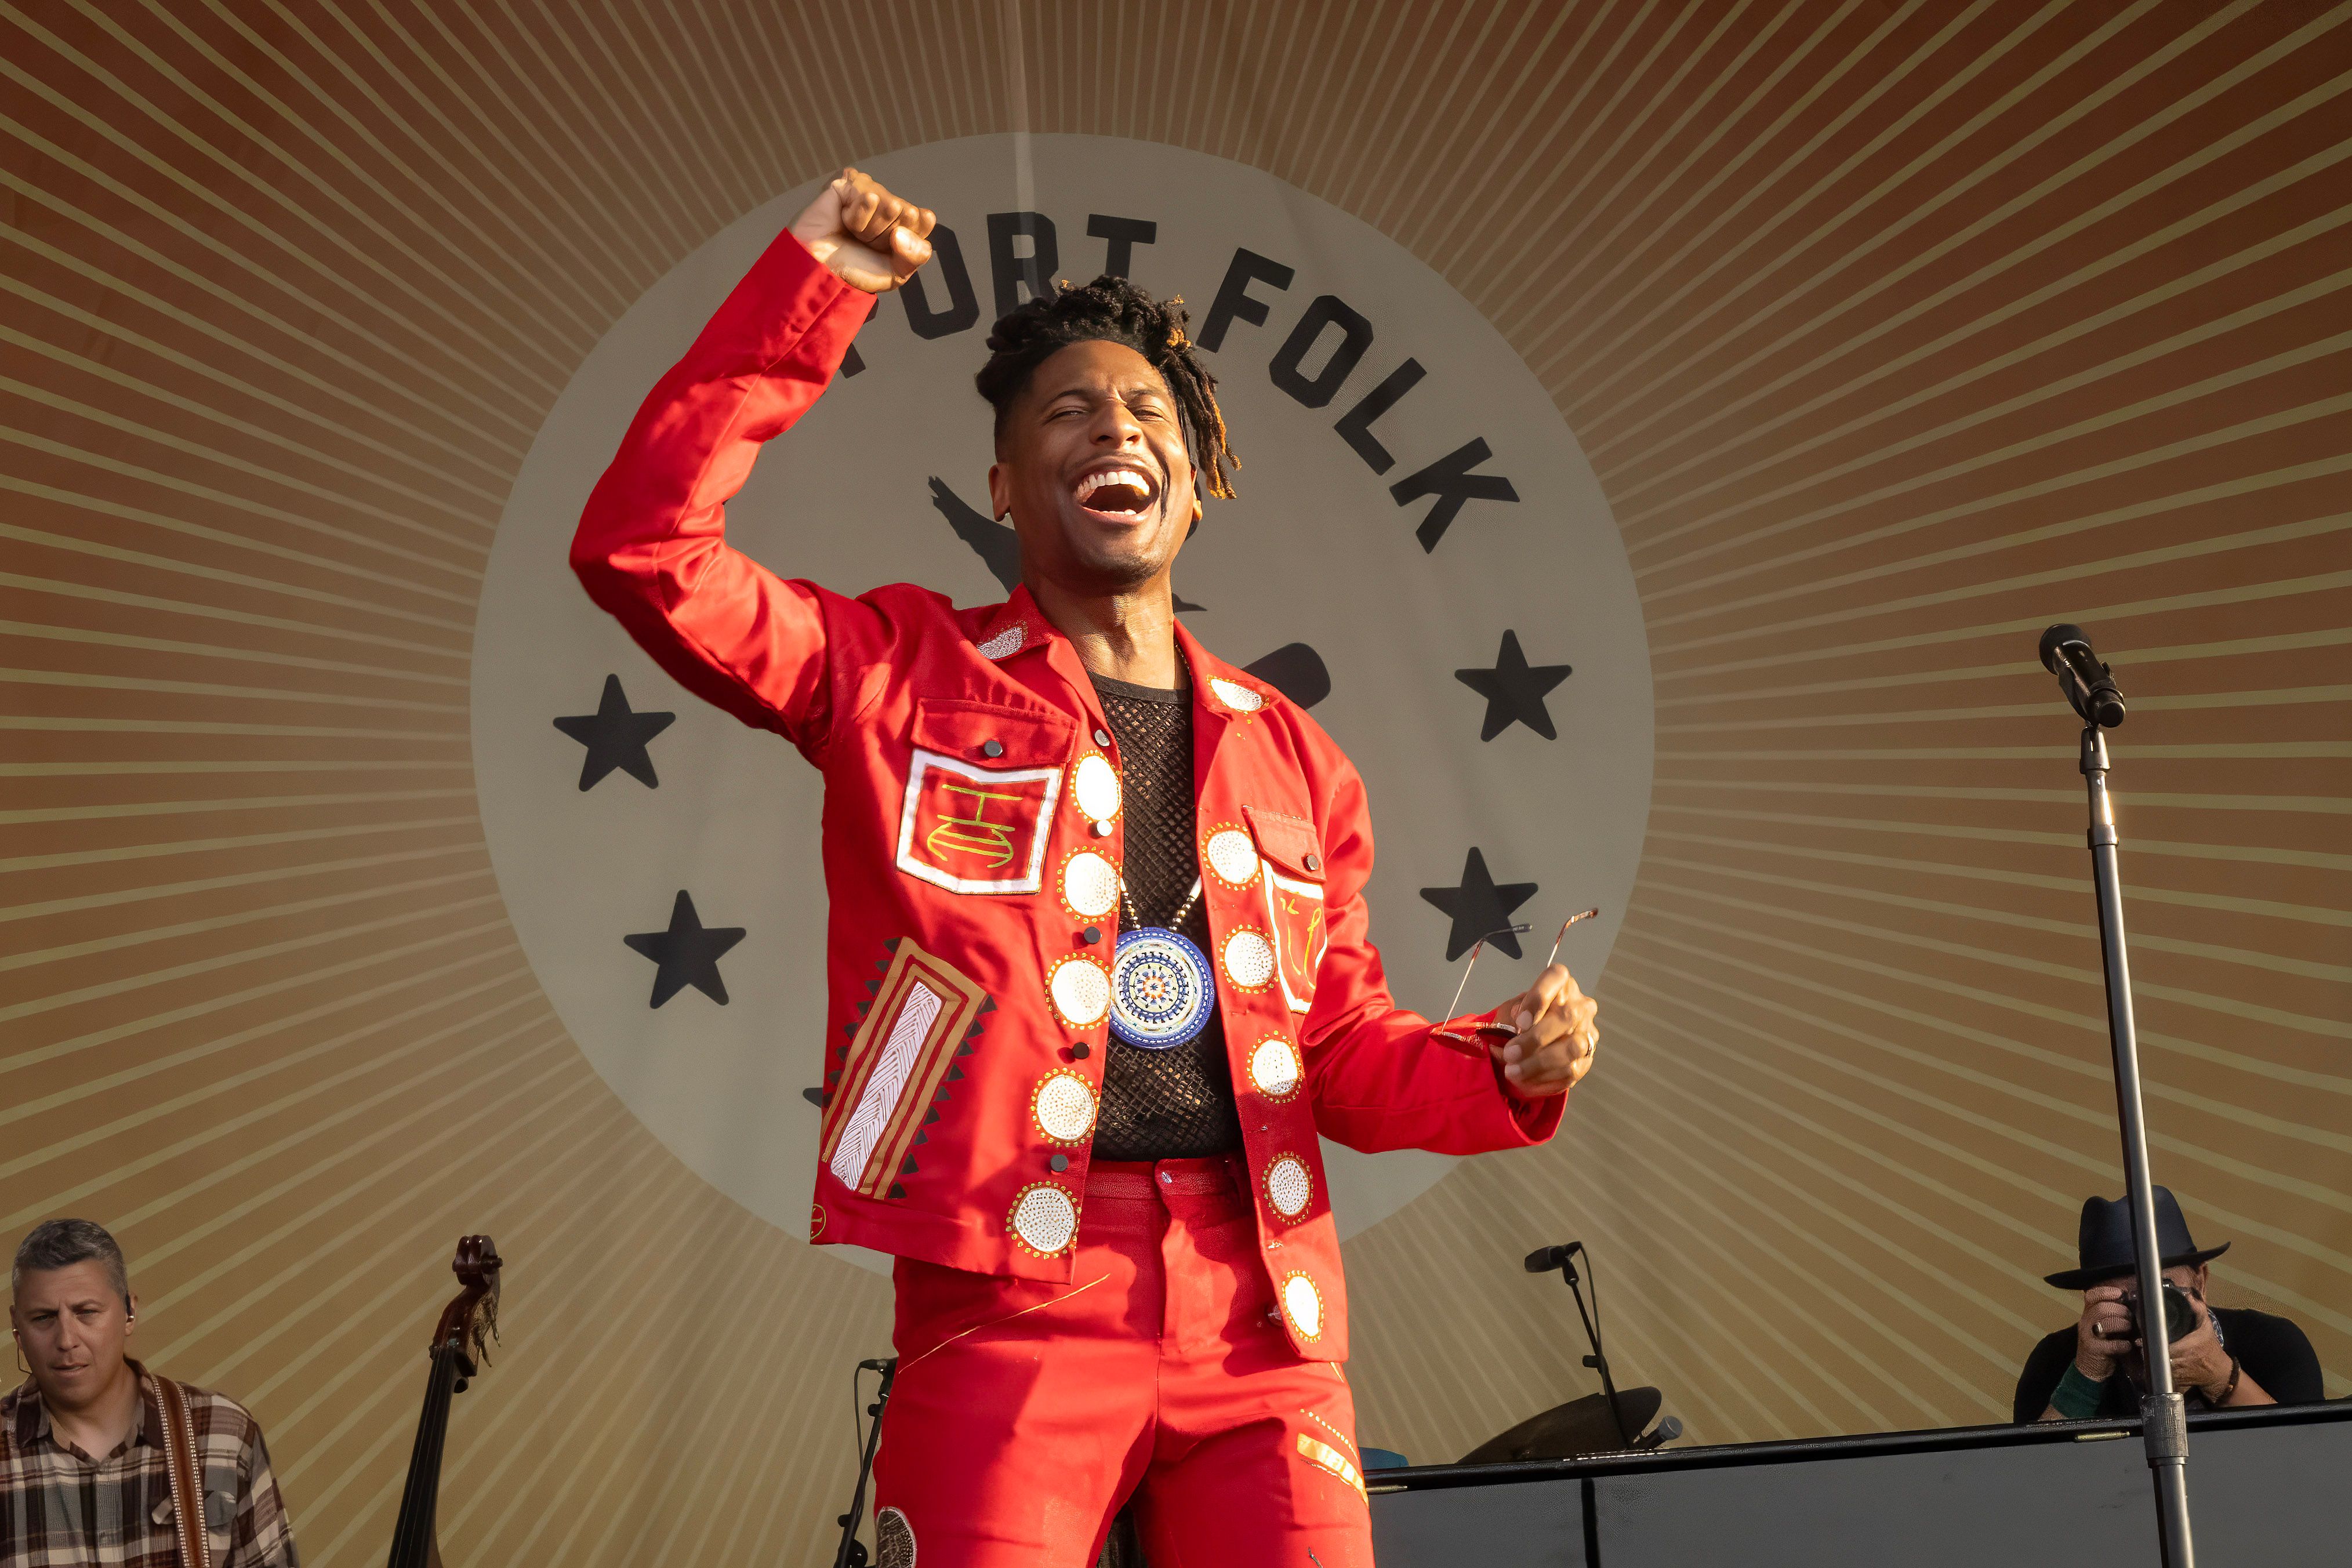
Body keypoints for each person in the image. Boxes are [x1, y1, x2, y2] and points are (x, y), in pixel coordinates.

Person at [572, 168, 1602, 1566]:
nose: (1114, 423)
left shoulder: (1297, 759)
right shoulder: (898, 673)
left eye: (1146, 411)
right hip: (1006, 1302)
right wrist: (812, 288)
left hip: (1264, 1321)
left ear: (1195, 478)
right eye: (1067, 410)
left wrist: (1501, 1067)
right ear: (1003, 487)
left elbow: (1338, 1050)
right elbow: (645, 549)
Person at [3, 1219, 299, 1565]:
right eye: (43, 1318)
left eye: (86, 1313)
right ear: (17, 1328)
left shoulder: (223, 1432)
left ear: (129, 1312)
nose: (67, 1340)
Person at [2014, 1186, 2324, 1423]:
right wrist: (2084, 1380)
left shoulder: (2273, 1343)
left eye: (2164, 1290)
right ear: (2091, 1300)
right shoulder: (2055, 1360)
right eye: (2121, 1297)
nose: (2144, 1311)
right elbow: (2030, 1484)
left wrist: (2220, 1375)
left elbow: (2312, 1460)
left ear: (2201, 1278)